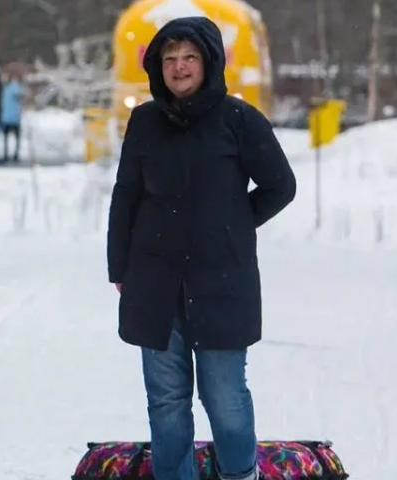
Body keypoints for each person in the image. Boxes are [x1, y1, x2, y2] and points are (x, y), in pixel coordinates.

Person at [105, 17, 296, 480]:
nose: (179, 67)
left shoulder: (238, 119)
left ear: (209, 62)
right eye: (169, 59)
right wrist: (119, 265)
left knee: (225, 398)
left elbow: (279, 185)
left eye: (189, 57)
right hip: (154, 281)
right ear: (157, 66)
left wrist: (231, 224)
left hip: (221, 281)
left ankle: (240, 475)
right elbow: (126, 193)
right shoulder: (146, 121)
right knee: (167, 401)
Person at [0, 63, 26, 162]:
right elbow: (21, 96)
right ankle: (15, 154)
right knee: (16, 137)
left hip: (6, 116)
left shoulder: (6, 88)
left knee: (6, 138)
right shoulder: (17, 87)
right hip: (14, 117)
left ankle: (6, 154)